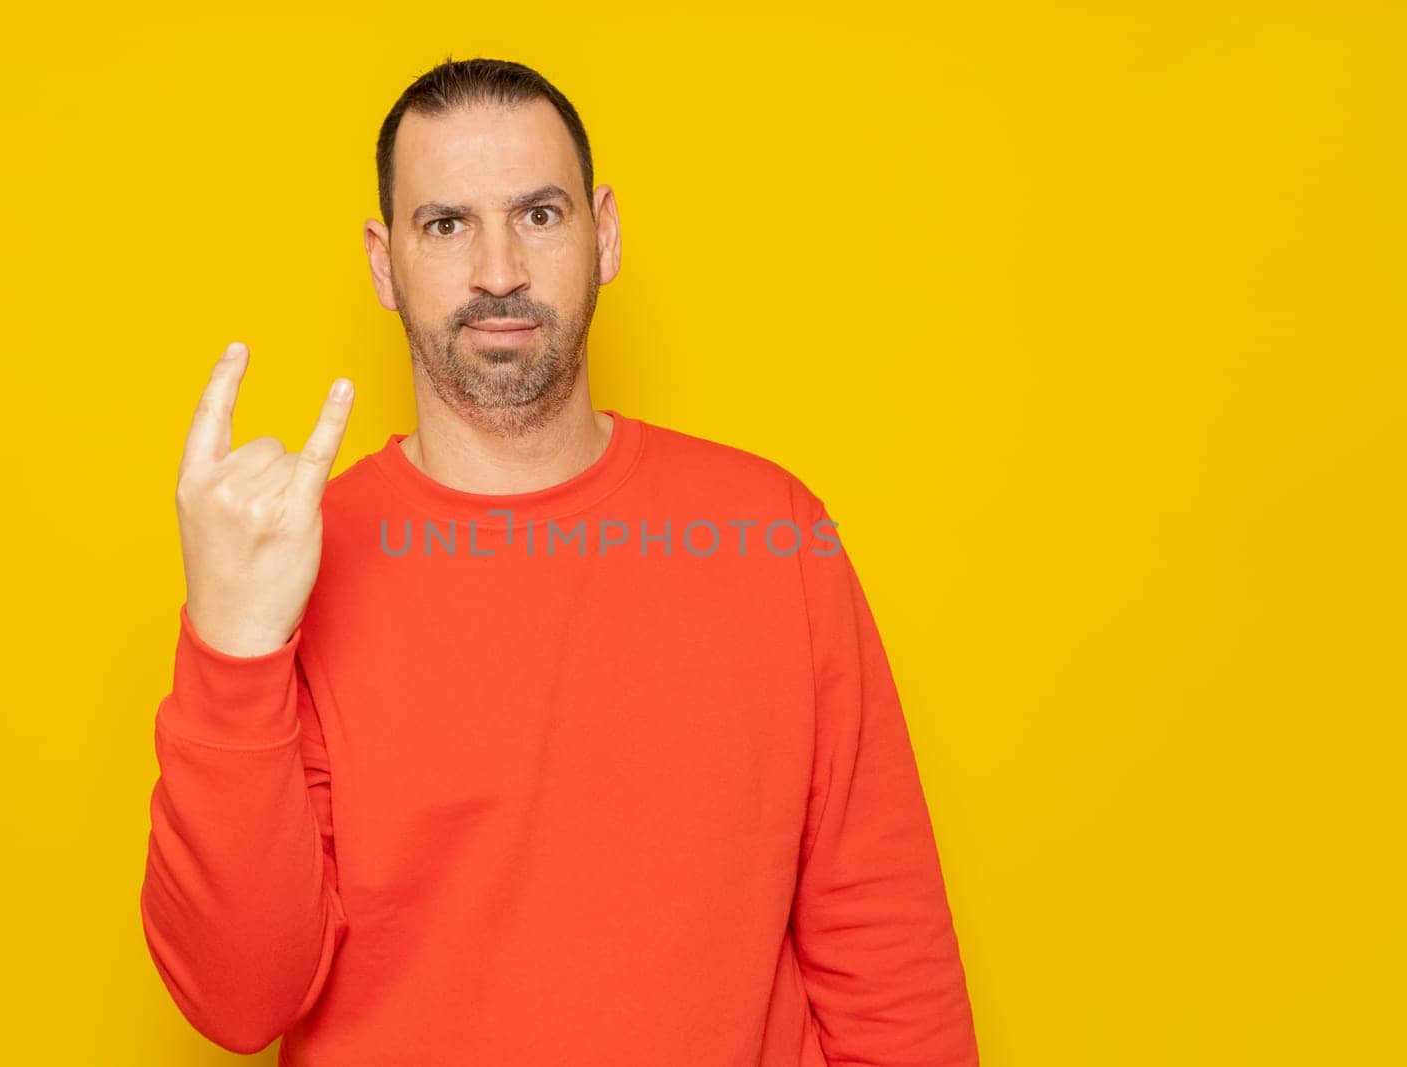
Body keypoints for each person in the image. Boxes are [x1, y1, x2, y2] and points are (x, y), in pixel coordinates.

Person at [140, 56, 979, 1066]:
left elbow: (885, 955)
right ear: (381, 261)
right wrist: (232, 644)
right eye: (445, 225)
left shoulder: (772, 532)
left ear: (604, 232)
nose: (498, 270)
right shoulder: (295, 561)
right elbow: (240, 997)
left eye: (537, 214)